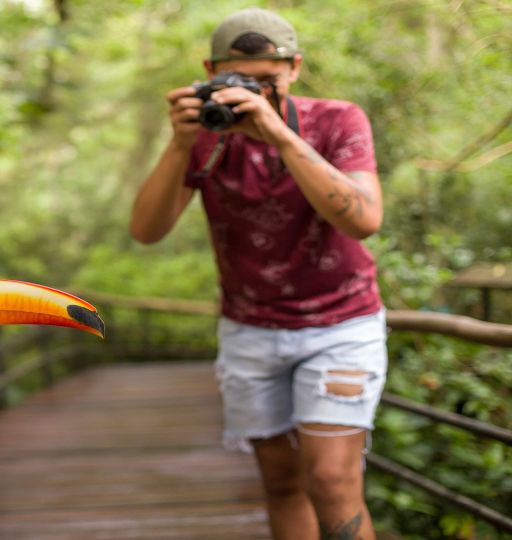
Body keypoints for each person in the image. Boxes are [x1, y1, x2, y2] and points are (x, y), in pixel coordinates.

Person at [130, 8, 387, 540]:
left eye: (268, 81)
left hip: (341, 324)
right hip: (250, 329)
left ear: (294, 68)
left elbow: (364, 220)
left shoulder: (338, 120)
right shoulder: (203, 134)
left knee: (332, 478)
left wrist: (280, 136)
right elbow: (147, 230)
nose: (256, 96)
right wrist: (180, 144)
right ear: (209, 71)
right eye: (241, 81)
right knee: (280, 480)